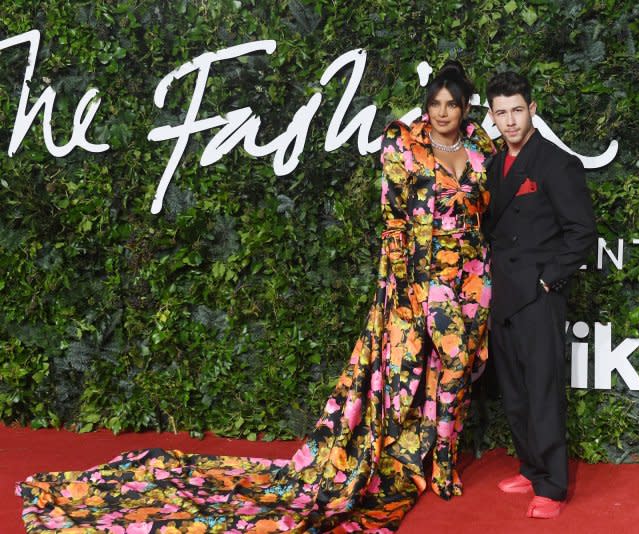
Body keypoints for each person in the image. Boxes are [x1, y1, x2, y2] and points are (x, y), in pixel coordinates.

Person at [16, 61, 495, 533]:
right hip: (418, 281)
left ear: (465, 107)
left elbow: (489, 212)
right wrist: (394, 284)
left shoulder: (480, 147)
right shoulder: (403, 142)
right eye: (434, 104)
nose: (441, 112)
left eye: (451, 105)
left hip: (471, 278)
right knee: (423, 371)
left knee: (456, 370)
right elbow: (393, 217)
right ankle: (442, 463)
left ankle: (437, 455)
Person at [483, 71, 597, 519]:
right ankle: (531, 468)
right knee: (514, 391)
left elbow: (582, 232)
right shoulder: (493, 166)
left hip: (537, 296)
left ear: (532, 109)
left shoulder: (556, 163)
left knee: (543, 390)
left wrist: (548, 280)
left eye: (516, 110)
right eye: (501, 113)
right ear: (492, 118)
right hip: (502, 296)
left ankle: (552, 485)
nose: (510, 121)